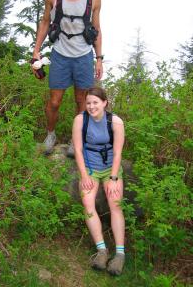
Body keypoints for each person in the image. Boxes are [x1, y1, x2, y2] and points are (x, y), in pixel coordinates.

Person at [32, 0, 103, 156]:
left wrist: (99, 58)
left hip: (83, 56)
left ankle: (75, 140)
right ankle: (50, 135)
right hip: (60, 55)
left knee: (81, 100)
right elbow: (45, 21)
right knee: (55, 101)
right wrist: (36, 51)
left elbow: (96, 29)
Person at [72, 86, 126, 276]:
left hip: (111, 168)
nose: (91, 106)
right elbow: (78, 150)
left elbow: (118, 152)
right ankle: (102, 250)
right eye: (88, 103)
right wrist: (85, 175)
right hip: (90, 168)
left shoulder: (115, 121)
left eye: (95, 102)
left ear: (105, 103)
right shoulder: (80, 120)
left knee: (115, 203)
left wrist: (113, 178)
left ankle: (119, 254)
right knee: (87, 203)